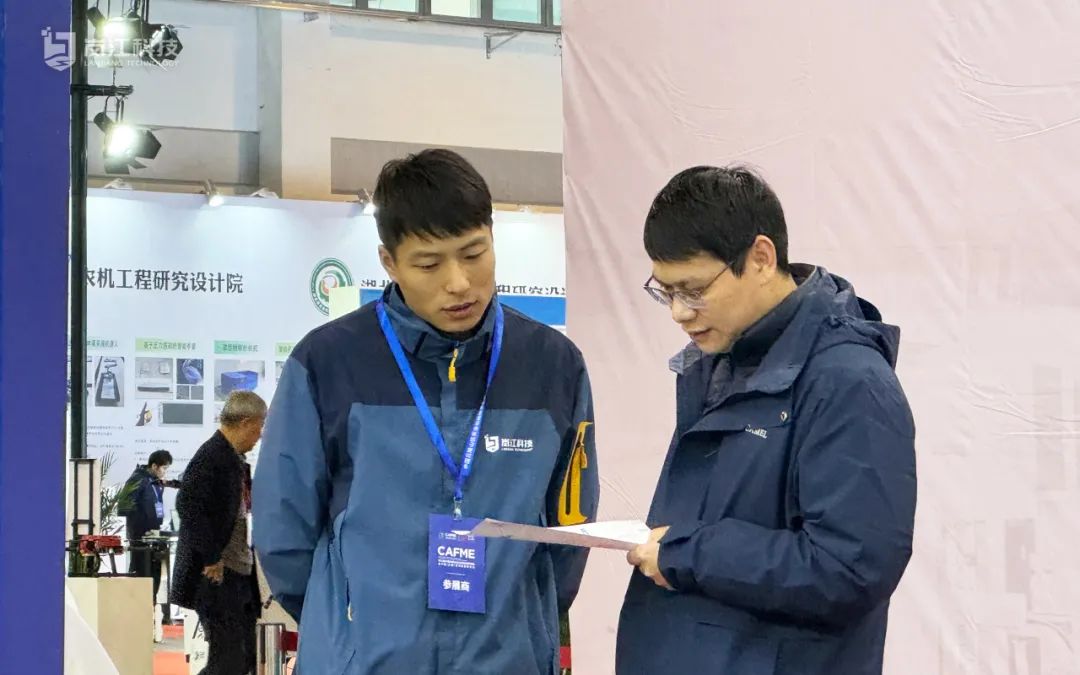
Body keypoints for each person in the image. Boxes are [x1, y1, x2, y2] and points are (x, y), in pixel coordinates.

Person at [253, 148, 599, 674]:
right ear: (389, 262)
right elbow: (284, 534)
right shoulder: (327, 362)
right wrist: (346, 632)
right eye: (429, 264)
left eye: (474, 253)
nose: (458, 282)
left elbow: (568, 533)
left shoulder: (553, 364)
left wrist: (525, 630)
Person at [617, 166, 917, 674]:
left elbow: (849, 566)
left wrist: (687, 553)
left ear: (760, 257)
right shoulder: (724, 359)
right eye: (664, 292)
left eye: (693, 289)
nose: (678, 313)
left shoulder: (849, 381)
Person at [171, 391, 265, 675]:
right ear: (245, 423)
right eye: (259, 426)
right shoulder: (212, 456)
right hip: (217, 576)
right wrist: (211, 557)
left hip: (238, 573)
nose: (260, 435)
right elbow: (187, 505)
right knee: (228, 661)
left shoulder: (233, 458)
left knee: (245, 657)